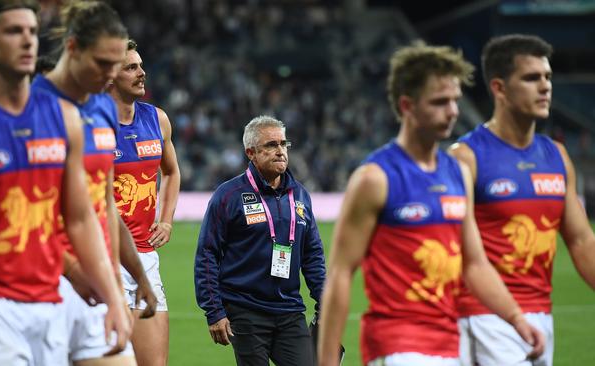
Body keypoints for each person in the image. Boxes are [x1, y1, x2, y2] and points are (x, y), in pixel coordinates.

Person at [317, 42, 545, 366]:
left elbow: (475, 264)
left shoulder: (458, 173)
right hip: (397, 345)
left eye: (455, 100)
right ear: (407, 106)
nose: (452, 110)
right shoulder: (375, 178)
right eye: (439, 102)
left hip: (449, 345)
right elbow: (340, 274)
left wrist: (517, 319)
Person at [0, 1, 131, 364]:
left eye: (32, 31)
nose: (28, 41)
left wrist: (113, 296)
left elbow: (80, 220)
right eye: (14, 31)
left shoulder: (64, 119)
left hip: (48, 300)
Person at [449, 34, 595, 366]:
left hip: (541, 315)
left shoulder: (556, 156)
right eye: (531, 78)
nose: (545, 87)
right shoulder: (466, 158)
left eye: (547, 77)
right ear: (499, 88)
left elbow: (581, 238)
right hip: (484, 316)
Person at [32, 1, 157, 364]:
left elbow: (103, 208)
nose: (109, 74)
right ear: (73, 48)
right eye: (103, 64)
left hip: (98, 280)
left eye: (115, 65)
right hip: (43, 281)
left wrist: (134, 278)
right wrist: (71, 270)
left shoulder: (102, 110)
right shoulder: (32, 108)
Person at [194, 115, 326, 366]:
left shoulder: (299, 195)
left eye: (283, 144)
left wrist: (325, 301)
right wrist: (214, 311)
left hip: (289, 310)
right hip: (245, 310)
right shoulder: (228, 195)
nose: (280, 151)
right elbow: (207, 254)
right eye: (271, 145)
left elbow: (312, 255)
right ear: (251, 153)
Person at [106, 39, 181, 366]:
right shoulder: (92, 125)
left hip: (144, 259)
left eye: (141, 65)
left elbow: (172, 172)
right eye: (131, 67)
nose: (142, 73)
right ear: (109, 75)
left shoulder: (157, 119)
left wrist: (165, 220)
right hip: (104, 259)